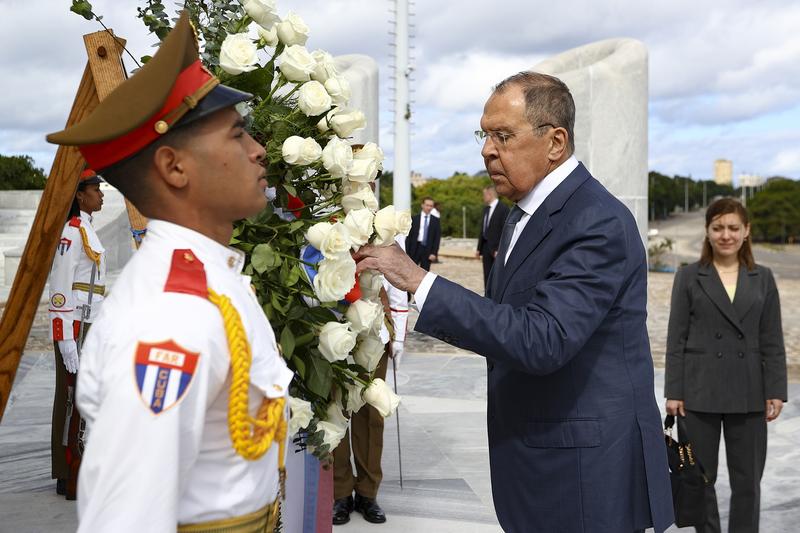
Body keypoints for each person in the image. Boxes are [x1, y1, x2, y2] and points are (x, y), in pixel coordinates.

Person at [355, 71, 673, 532]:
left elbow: (542, 338)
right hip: (540, 464)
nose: (487, 149)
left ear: (555, 142)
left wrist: (418, 280)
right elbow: (507, 320)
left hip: (584, 478)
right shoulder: (521, 213)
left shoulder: (597, 221)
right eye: (484, 135)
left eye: (503, 135)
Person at [45, 12, 293, 532]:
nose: (259, 150)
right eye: (237, 134)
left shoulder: (210, 280)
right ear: (174, 167)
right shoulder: (171, 319)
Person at [664, 198, 787, 533]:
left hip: (749, 391)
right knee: (702, 480)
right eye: (718, 228)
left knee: (748, 483)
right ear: (707, 231)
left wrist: (775, 390)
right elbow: (676, 339)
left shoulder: (762, 277)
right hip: (698, 391)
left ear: (746, 231)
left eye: (734, 228)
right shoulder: (689, 277)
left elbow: (772, 338)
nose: (726, 235)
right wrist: (673, 391)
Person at [332, 241, 408, 525]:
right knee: (335, 410)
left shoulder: (380, 226)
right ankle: (340, 491)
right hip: (333, 326)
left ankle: (367, 491)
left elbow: (398, 281)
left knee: (371, 411)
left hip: (374, 327)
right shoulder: (324, 214)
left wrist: (398, 333)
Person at [48, 167, 106, 498]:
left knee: (81, 395)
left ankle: (78, 461)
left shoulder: (87, 228)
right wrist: (64, 334)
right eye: (96, 189)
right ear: (81, 195)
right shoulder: (72, 232)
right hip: (75, 323)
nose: (101, 194)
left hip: (90, 319)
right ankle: (64, 467)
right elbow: (60, 284)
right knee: (68, 396)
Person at [476, 184, 510, 287]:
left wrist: (500, 248)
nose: (483, 197)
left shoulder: (503, 209)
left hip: (497, 249)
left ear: (490, 194)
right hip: (486, 248)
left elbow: (506, 231)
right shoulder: (486, 209)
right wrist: (479, 248)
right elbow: (483, 229)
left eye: (484, 195)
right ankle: (487, 297)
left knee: (497, 276)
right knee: (487, 275)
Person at [404, 197, 441, 270]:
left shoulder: (435, 221)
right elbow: (409, 236)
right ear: (422, 205)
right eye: (427, 205)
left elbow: (437, 238)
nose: (429, 207)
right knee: (411, 270)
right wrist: (407, 252)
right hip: (415, 248)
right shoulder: (414, 219)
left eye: (431, 206)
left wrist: (434, 253)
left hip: (428, 249)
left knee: (425, 272)